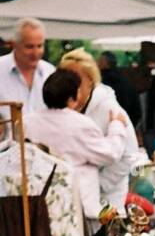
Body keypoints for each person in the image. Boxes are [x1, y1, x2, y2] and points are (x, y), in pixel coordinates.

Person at [24, 68, 130, 223]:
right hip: (75, 205)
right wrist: (117, 126)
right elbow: (110, 154)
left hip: (38, 202)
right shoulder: (81, 125)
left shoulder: (27, 121)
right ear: (72, 97)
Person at [59, 48, 139, 212]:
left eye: (76, 79)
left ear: (90, 80)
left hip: (106, 199)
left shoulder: (108, 107)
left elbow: (129, 154)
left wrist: (99, 185)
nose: (70, 85)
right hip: (72, 197)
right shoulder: (63, 107)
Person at [0, 18, 53, 132]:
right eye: (29, 47)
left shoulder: (50, 73)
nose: (35, 53)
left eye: (39, 46)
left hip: (44, 148)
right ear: (14, 45)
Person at [97, 51, 142, 131]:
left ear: (104, 63)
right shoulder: (126, 79)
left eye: (98, 60)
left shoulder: (100, 83)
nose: (96, 63)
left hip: (107, 127)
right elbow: (137, 111)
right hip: (127, 124)